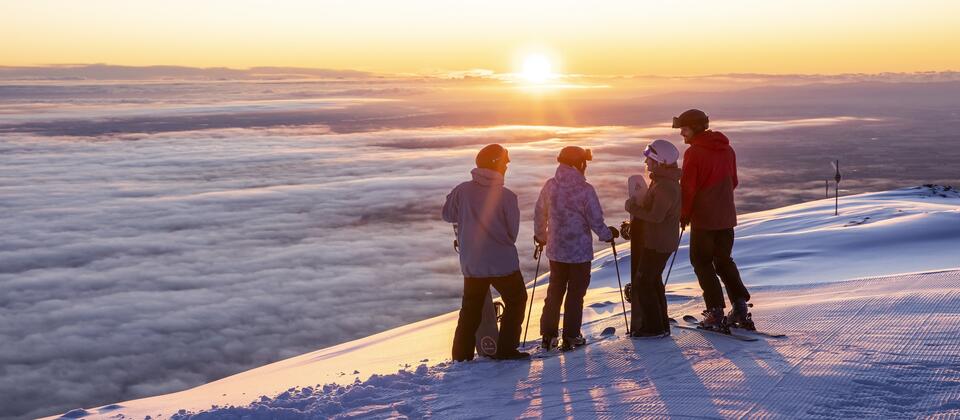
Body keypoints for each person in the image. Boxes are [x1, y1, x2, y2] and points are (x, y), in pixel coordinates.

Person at [442, 144, 529, 361]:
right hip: (503, 263)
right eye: (505, 163)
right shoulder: (507, 197)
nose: (507, 167)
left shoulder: (462, 191)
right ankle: (507, 350)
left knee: (470, 309)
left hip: (473, 262)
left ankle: (461, 356)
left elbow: (447, 214)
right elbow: (512, 233)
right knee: (516, 300)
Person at [673, 109, 754, 332]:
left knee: (701, 262)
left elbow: (688, 188)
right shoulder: (728, 149)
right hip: (727, 217)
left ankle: (715, 311)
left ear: (696, 128)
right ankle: (739, 306)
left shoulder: (694, 153)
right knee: (724, 261)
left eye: (685, 128)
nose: (682, 133)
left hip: (705, 220)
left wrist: (684, 214)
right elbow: (733, 181)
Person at [534, 146, 618, 351]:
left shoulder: (550, 186)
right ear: (578, 163)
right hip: (579, 253)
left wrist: (541, 237)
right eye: (584, 162)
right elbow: (595, 220)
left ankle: (548, 337)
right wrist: (608, 235)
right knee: (575, 295)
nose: (586, 166)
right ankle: (571, 336)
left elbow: (539, 213)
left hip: (556, 250)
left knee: (554, 292)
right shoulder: (585, 190)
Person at [624, 139, 682, 337]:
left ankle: (654, 328)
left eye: (649, 159)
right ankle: (661, 325)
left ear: (659, 161)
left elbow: (656, 216)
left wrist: (633, 208)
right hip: (660, 241)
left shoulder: (665, 187)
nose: (646, 163)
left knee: (644, 283)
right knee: (653, 281)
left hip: (659, 243)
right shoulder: (662, 182)